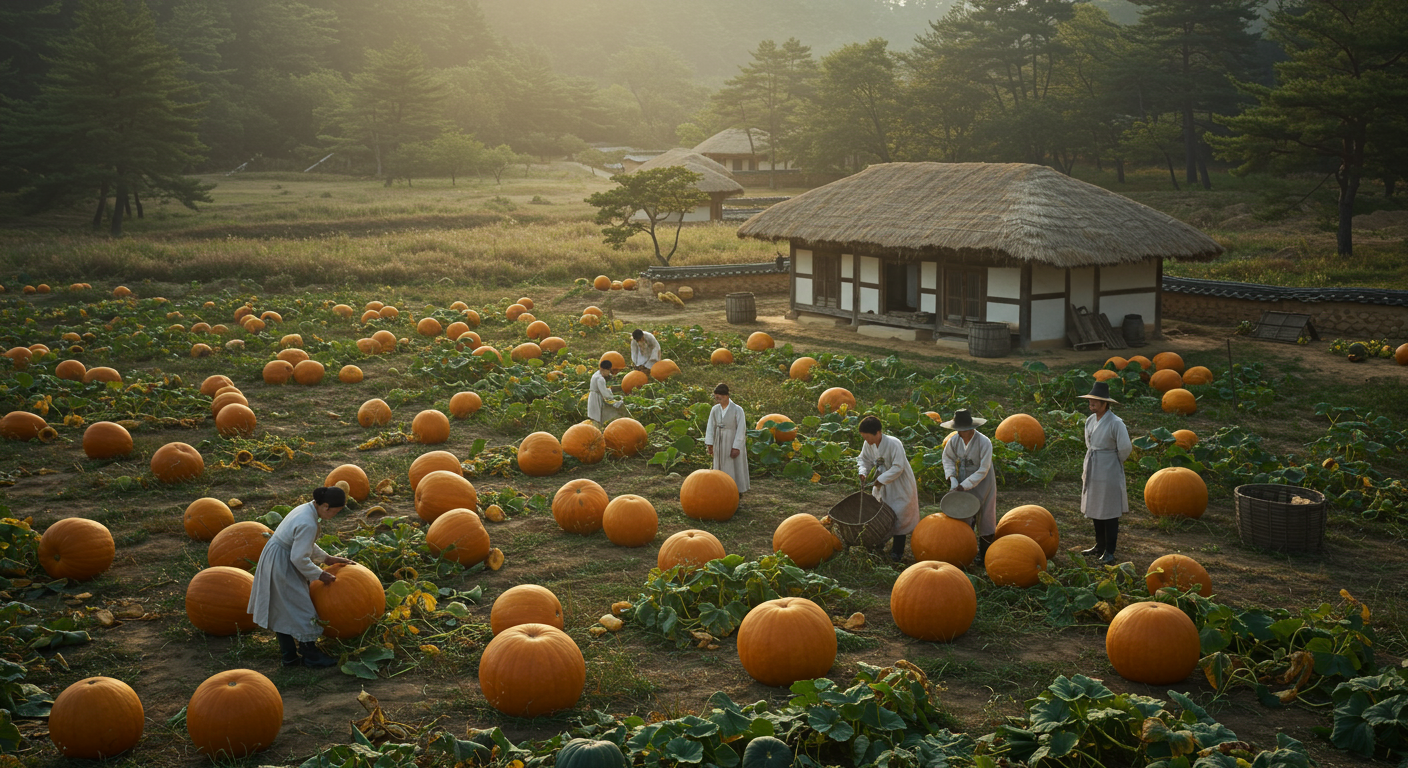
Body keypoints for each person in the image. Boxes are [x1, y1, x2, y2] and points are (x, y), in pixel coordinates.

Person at [247, 486, 355, 667]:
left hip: (276, 557)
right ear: (326, 506)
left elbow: (302, 544)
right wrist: (320, 575)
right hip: (282, 563)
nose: (334, 516)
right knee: (302, 608)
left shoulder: (307, 509)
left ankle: (289, 657)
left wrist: (327, 559)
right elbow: (298, 557)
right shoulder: (308, 522)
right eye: (335, 512)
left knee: (282, 608)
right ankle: (310, 655)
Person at [1078, 381, 1132, 564]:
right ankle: (1099, 545)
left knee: (1109, 510)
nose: (1091, 404)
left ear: (1105, 403)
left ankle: (1110, 550)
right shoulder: (1090, 420)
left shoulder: (1116, 423)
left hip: (1109, 467)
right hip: (1094, 463)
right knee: (1095, 507)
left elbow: (1125, 448)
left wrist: (1111, 461)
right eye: (1090, 400)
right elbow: (1089, 443)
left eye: (1095, 401)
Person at [857, 415, 920, 561]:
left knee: (899, 515)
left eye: (867, 437)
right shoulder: (869, 444)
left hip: (899, 485)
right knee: (881, 514)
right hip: (881, 485)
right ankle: (879, 544)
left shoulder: (894, 443)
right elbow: (864, 459)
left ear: (878, 432)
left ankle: (897, 552)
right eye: (864, 438)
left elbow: (898, 467)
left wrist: (881, 479)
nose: (866, 441)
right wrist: (863, 472)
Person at [940, 409, 997, 565]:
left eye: (961, 430)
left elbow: (983, 469)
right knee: (963, 513)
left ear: (971, 429)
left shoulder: (984, 442)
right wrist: (952, 479)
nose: (959, 433)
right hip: (962, 479)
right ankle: (966, 551)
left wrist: (965, 485)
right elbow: (948, 459)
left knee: (985, 515)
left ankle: (985, 554)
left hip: (983, 481)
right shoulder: (954, 441)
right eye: (957, 430)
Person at [704, 383, 750, 495]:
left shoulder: (737, 410)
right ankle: (720, 489)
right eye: (716, 398)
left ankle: (736, 491)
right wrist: (710, 444)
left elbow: (741, 429)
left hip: (731, 439)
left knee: (733, 465)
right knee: (719, 465)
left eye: (720, 398)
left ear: (726, 396)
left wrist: (736, 447)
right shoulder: (715, 410)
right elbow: (710, 427)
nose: (718, 400)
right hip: (718, 440)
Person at [587, 359, 627, 425]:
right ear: (604, 370)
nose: (609, 373)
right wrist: (614, 400)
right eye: (608, 371)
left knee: (594, 415)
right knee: (597, 416)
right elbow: (605, 394)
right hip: (596, 398)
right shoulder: (600, 379)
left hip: (593, 396)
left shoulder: (595, 374)